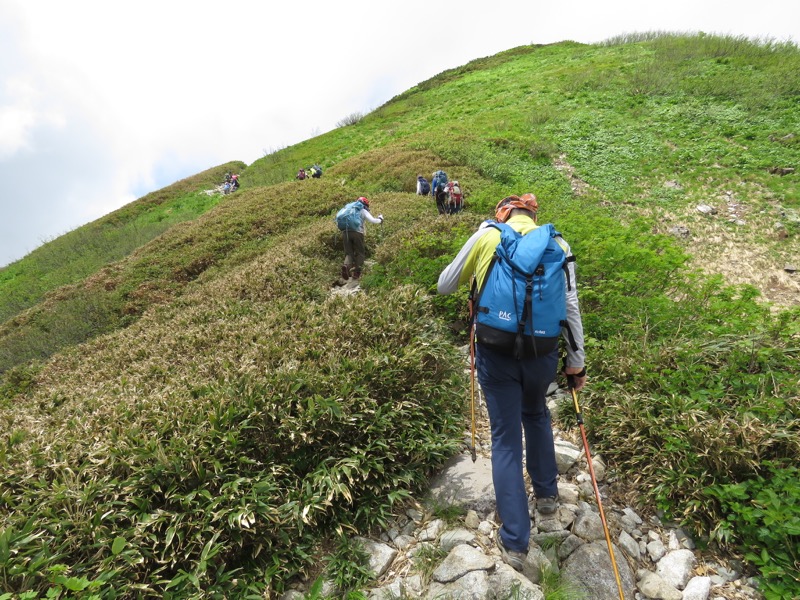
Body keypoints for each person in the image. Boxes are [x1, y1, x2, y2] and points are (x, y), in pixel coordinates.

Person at [437, 193, 586, 571]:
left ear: (504, 213)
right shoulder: (558, 243)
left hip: (496, 352)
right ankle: (548, 499)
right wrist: (576, 362)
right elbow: (570, 306)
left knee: (505, 438)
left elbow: (444, 284)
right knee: (536, 415)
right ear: (533, 215)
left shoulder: (488, 234)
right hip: (542, 352)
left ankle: (516, 544)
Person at [340, 196, 384, 280]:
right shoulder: (363, 210)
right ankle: (356, 272)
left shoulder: (349, 209)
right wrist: (380, 219)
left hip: (345, 233)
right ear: (365, 204)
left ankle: (346, 266)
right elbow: (373, 220)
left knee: (349, 253)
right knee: (360, 253)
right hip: (357, 233)